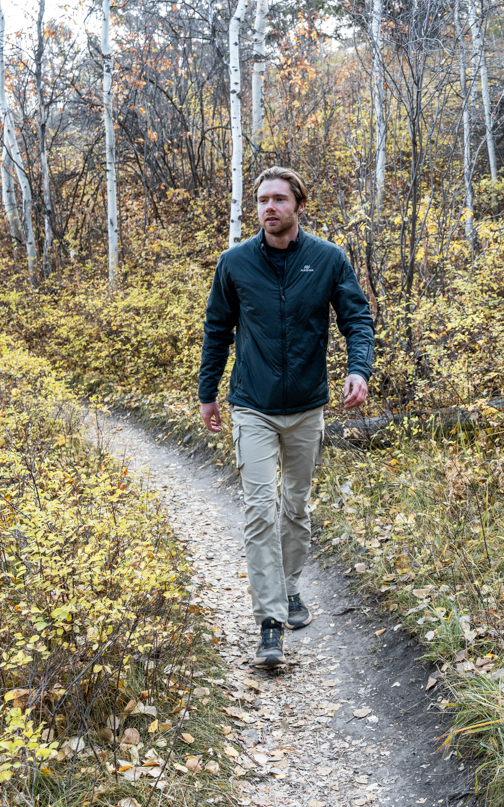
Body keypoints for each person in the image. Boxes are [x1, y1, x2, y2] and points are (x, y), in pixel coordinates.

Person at [199, 167, 374, 668]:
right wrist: (207, 392)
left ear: (299, 204)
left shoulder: (327, 259)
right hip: (251, 405)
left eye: (278, 199)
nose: (268, 208)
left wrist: (358, 370)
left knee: (295, 508)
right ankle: (270, 624)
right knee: (260, 511)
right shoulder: (234, 263)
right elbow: (217, 328)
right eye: (261, 201)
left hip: (307, 408)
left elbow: (356, 318)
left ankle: (291, 587)